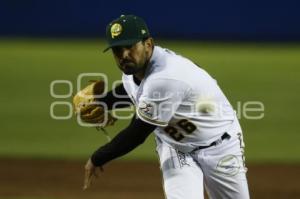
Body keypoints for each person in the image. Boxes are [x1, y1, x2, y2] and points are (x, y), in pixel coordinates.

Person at [83, 14, 250, 199]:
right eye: (117, 50)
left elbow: (137, 133)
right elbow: (133, 90)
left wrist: (98, 157)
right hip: (175, 147)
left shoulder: (166, 77)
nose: (124, 55)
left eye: (130, 46)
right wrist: (104, 102)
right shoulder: (134, 70)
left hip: (220, 145)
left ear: (148, 44)